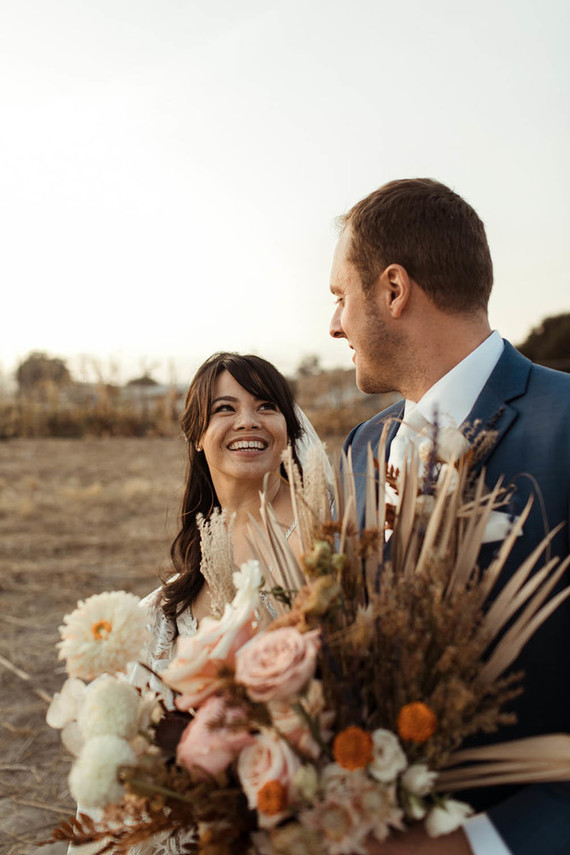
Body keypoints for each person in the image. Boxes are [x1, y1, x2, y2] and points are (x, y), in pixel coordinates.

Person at [329, 179, 570, 855]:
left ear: (394, 290)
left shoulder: (565, 425)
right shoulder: (363, 448)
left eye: (340, 297)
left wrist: (477, 844)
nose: (334, 324)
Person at [137, 351, 308, 682]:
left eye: (266, 406)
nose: (248, 421)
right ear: (198, 435)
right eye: (225, 408)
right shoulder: (206, 540)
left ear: (289, 427)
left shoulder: (319, 528)